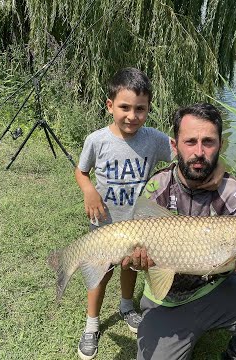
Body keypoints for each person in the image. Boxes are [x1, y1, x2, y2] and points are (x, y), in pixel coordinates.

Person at [75, 69, 225, 360]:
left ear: (148, 109)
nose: (132, 116)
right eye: (125, 107)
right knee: (100, 274)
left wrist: (217, 168)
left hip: (142, 226)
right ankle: (92, 324)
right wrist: (89, 190)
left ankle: (127, 306)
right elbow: (81, 172)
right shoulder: (96, 140)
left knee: (131, 267)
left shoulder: (155, 139)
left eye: (140, 109)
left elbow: (189, 155)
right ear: (110, 106)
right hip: (105, 223)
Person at [128, 103, 236, 360]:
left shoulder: (232, 194)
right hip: (167, 300)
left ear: (220, 146)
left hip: (214, 289)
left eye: (209, 142)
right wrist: (140, 262)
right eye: (190, 141)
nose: (199, 152)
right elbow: (139, 256)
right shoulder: (157, 187)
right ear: (174, 146)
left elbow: (234, 264)